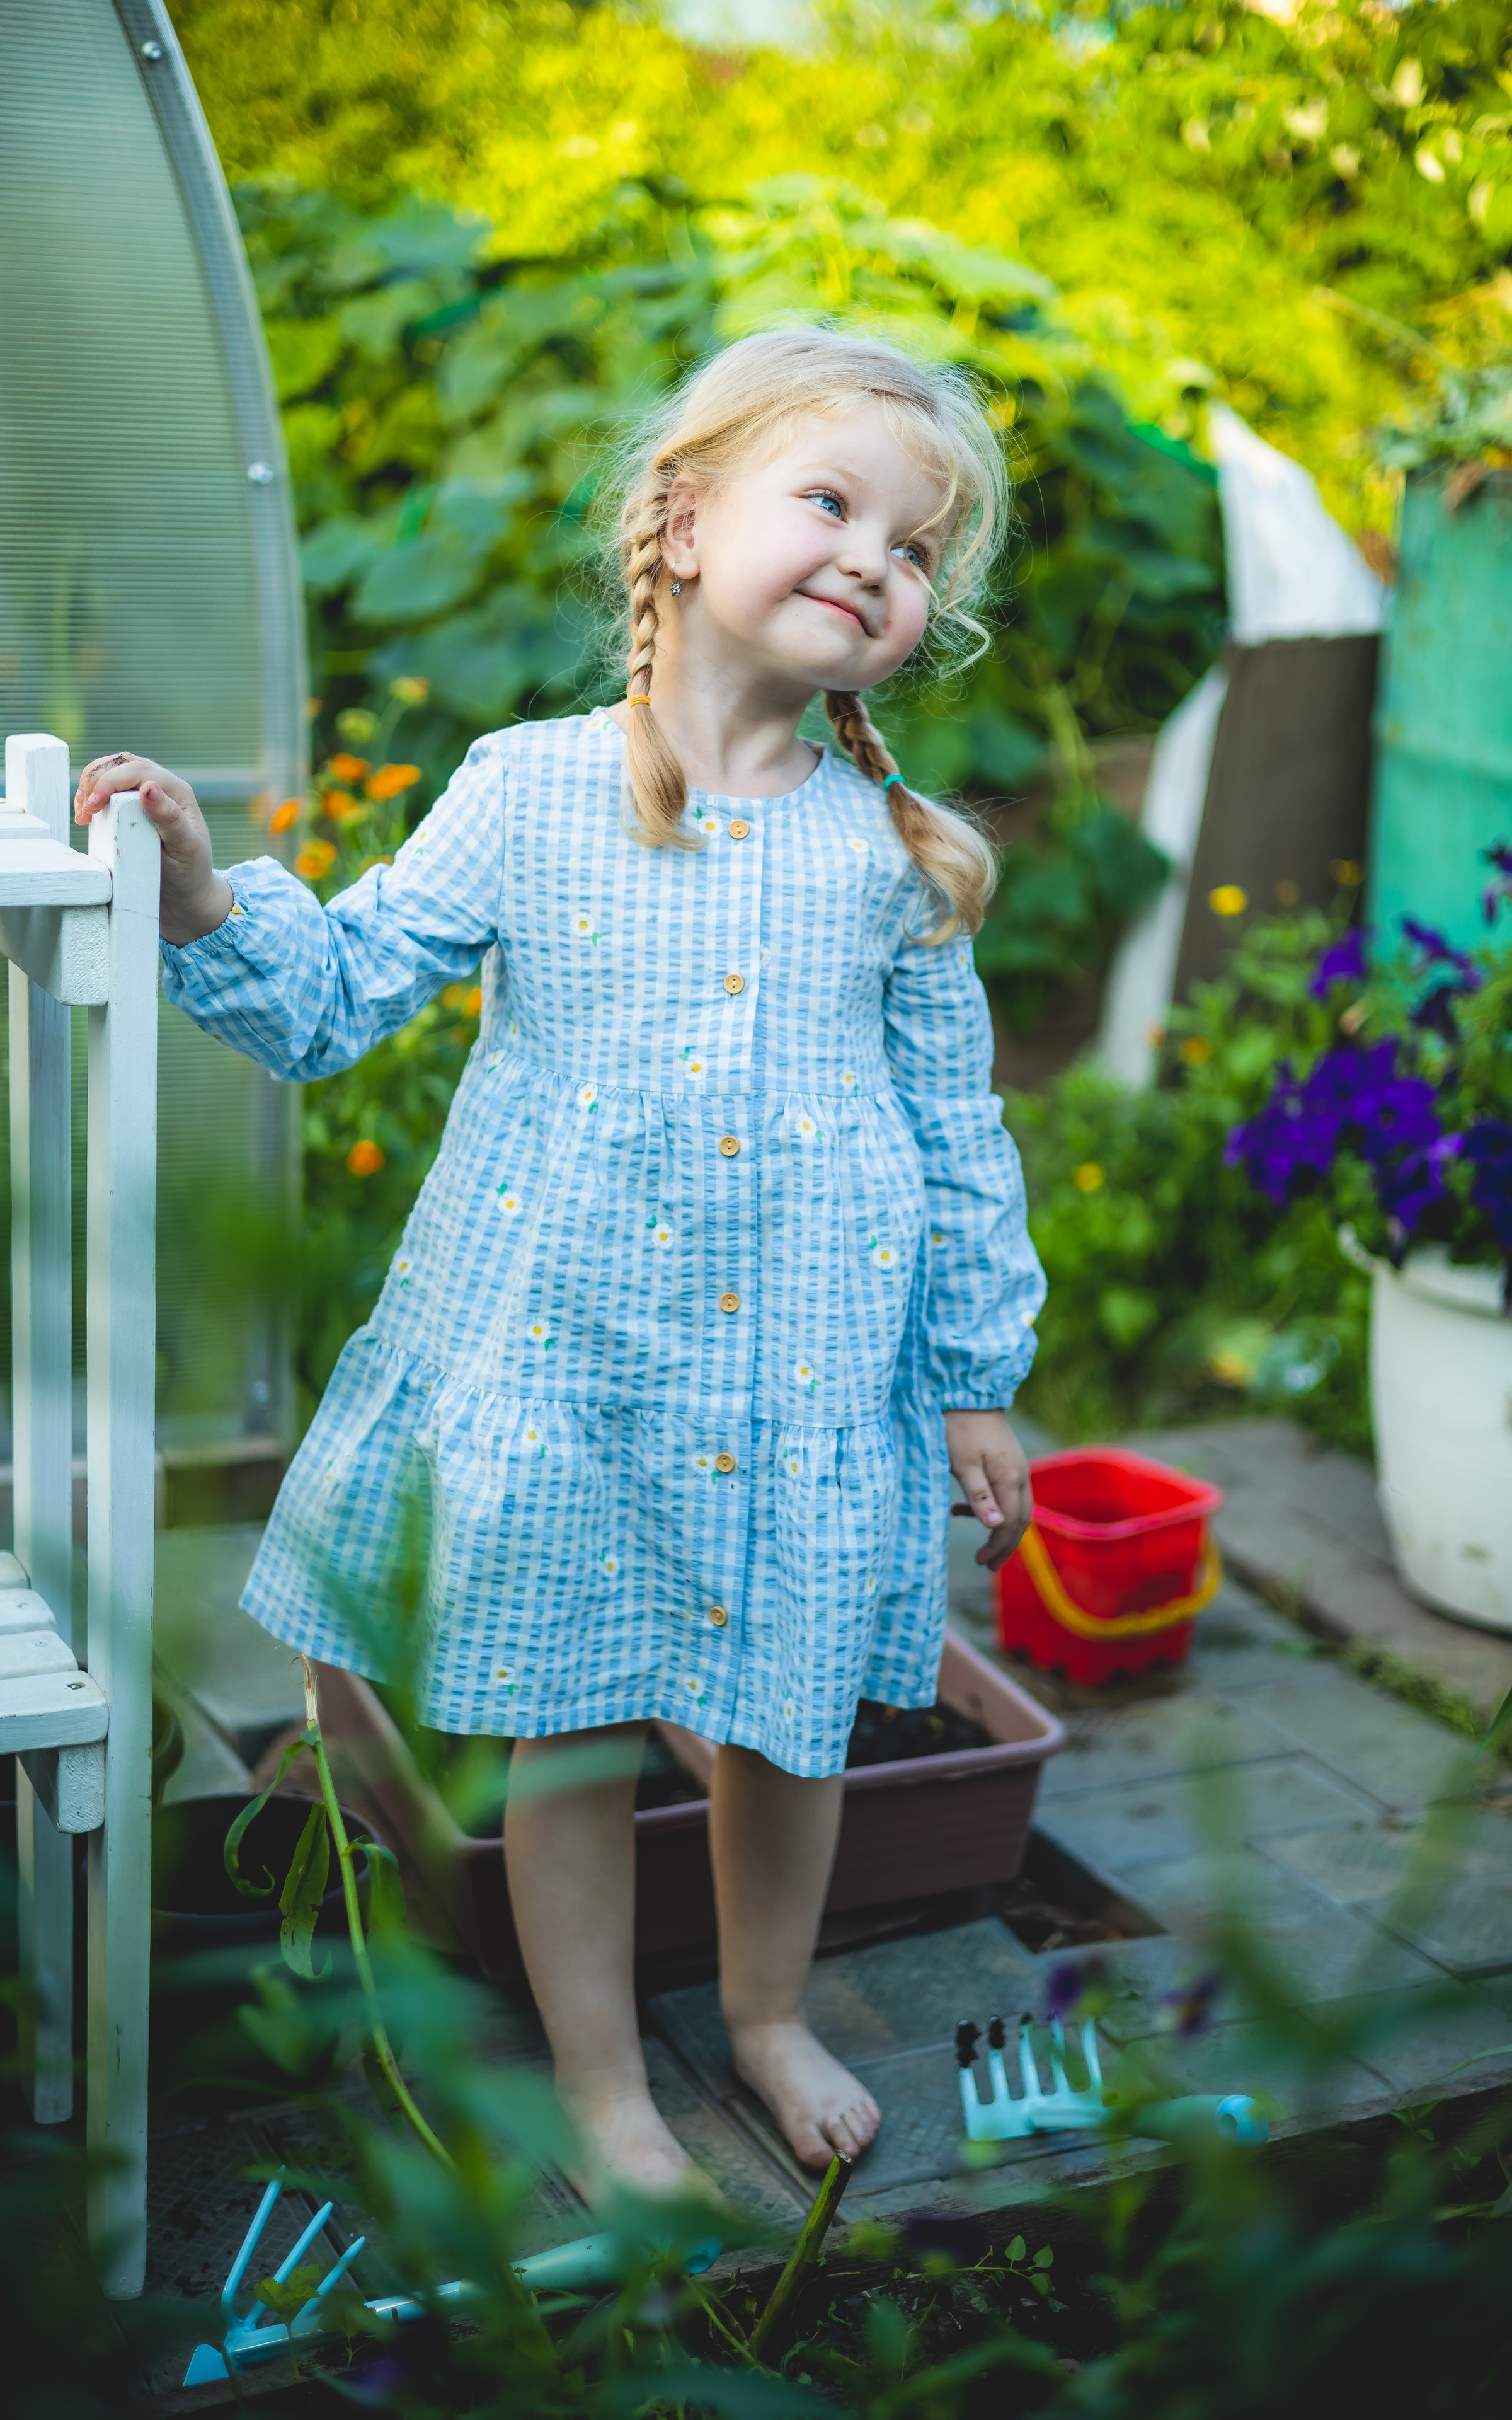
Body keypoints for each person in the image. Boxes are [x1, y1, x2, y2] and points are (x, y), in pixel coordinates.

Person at [76, 325, 1045, 2198]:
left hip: (805, 1383)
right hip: (571, 1365)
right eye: (830, 502)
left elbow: (955, 1135)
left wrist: (978, 1376)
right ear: (681, 521)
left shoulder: (894, 858)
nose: (874, 558)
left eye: (916, 548)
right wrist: (202, 893)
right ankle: (605, 2085)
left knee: (785, 1726)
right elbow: (341, 995)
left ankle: (764, 2015)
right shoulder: (528, 792)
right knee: (575, 1726)